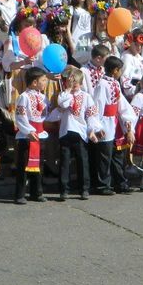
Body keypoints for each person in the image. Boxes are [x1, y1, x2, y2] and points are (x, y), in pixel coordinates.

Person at [89, 56, 135, 195]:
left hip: (115, 122)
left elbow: (121, 103)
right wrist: (97, 127)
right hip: (106, 122)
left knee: (117, 155)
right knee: (105, 156)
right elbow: (98, 105)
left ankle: (120, 183)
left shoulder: (115, 83)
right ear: (115, 70)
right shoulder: (102, 84)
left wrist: (127, 120)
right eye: (120, 70)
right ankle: (102, 185)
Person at [53, 66, 98, 201]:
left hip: (80, 131)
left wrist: (92, 130)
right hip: (66, 131)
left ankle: (84, 188)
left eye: (75, 83)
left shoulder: (86, 96)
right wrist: (67, 90)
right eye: (70, 83)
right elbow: (63, 104)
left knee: (82, 161)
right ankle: (63, 190)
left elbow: (91, 114)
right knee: (64, 162)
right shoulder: (63, 95)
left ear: (80, 83)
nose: (73, 86)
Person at [13, 67, 51, 204]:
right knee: (24, 166)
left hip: (40, 135)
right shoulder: (24, 97)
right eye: (43, 80)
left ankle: (37, 192)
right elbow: (20, 116)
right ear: (34, 82)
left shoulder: (43, 97)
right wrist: (29, 131)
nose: (46, 82)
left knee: (39, 166)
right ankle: (20, 194)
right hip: (27, 136)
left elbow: (46, 114)